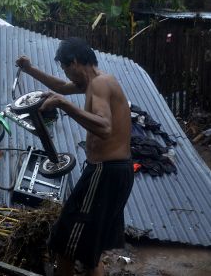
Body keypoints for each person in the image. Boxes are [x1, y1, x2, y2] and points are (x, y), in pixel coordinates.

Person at [15, 37, 133, 276]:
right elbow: (59, 87)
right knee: (91, 250)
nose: (67, 76)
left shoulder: (100, 84)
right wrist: (29, 69)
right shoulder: (92, 83)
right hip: (114, 171)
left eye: (66, 69)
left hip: (105, 172)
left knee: (64, 241)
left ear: (76, 62)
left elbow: (104, 127)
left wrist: (64, 105)